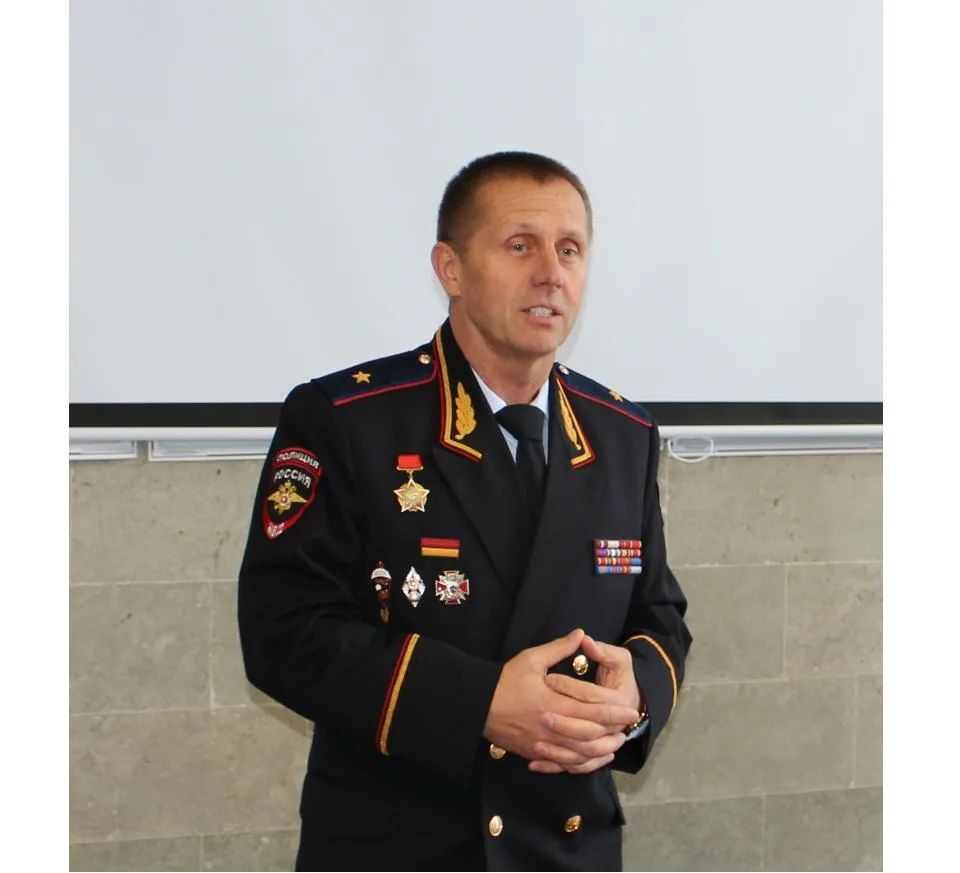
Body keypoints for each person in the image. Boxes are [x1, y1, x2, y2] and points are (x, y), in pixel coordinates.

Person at [238, 151, 691, 872]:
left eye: (570, 249)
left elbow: (658, 614)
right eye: (520, 245)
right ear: (450, 268)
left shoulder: (622, 433)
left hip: (566, 847)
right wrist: (478, 702)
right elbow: (283, 630)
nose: (551, 273)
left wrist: (634, 697)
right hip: (398, 849)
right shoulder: (348, 419)